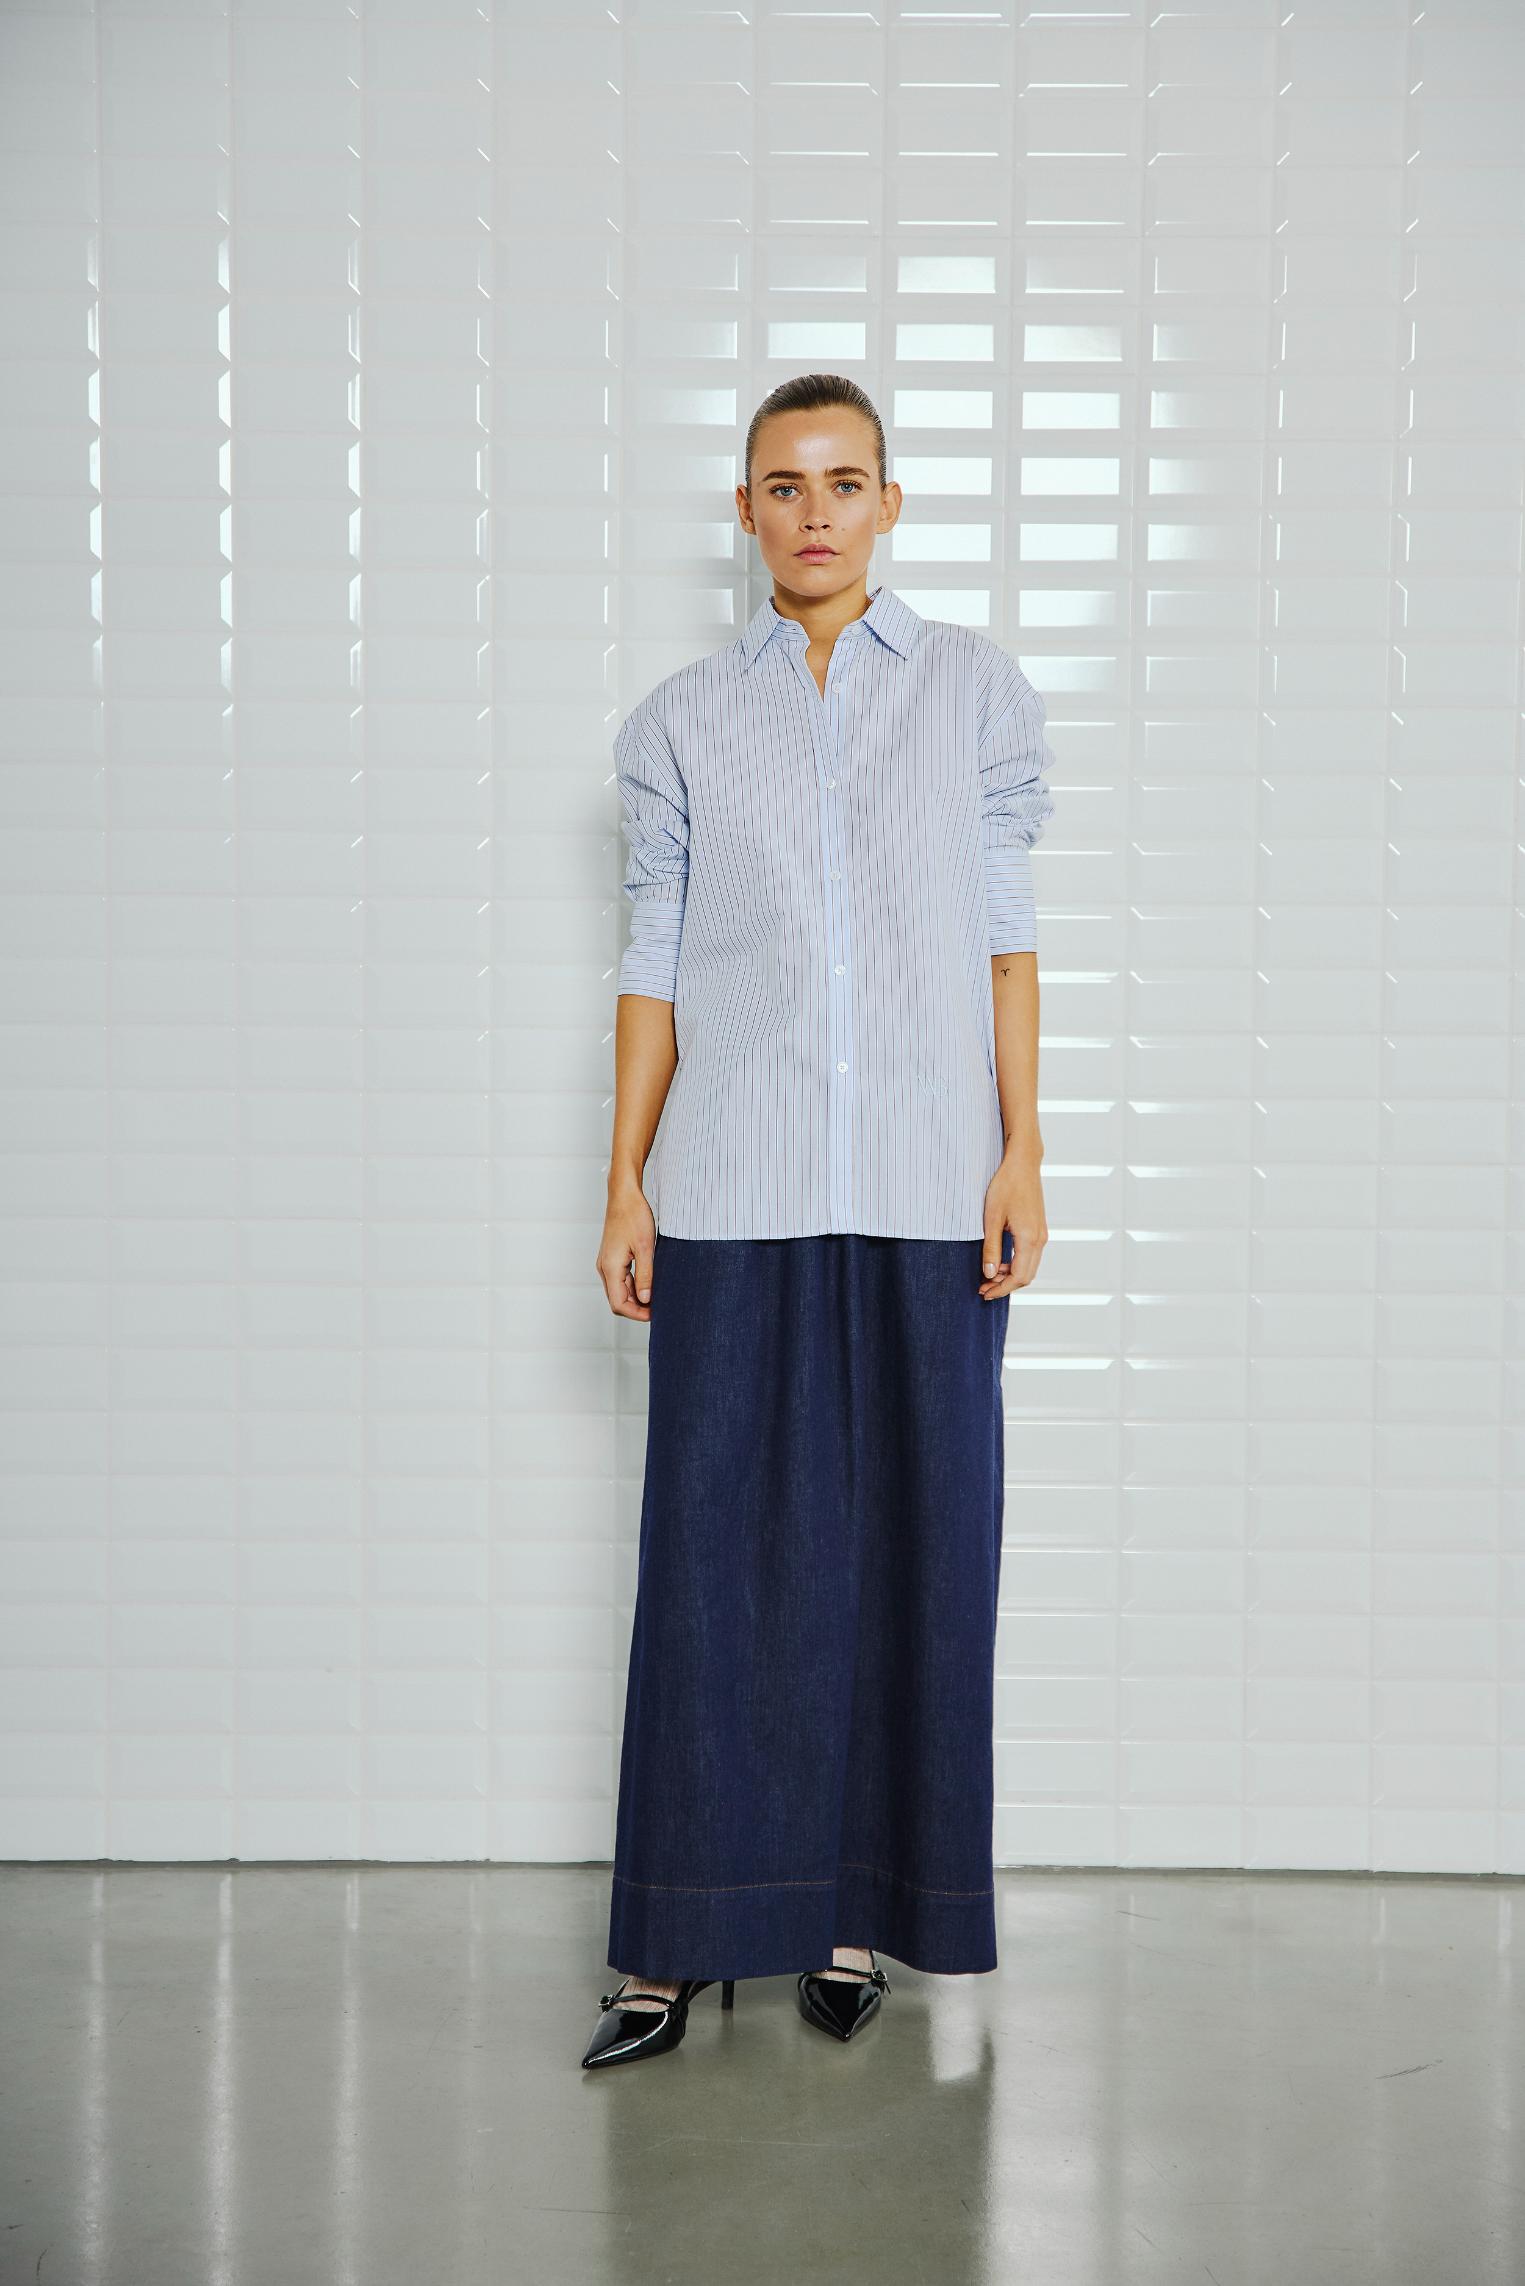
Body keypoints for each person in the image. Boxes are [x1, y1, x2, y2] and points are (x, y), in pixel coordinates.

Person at [583, 372, 1055, 2070]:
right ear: (744, 511)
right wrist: (626, 1178)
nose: (813, 512)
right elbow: (653, 964)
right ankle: (671, 1943)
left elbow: (1004, 941)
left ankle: (856, 1912)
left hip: (930, 1188)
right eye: (782, 485)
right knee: (710, 1561)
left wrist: (1022, 1151)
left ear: (888, 503)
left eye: (843, 481)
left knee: (913, 1555)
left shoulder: (975, 696)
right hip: (735, 1188)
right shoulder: (679, 724)